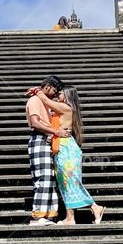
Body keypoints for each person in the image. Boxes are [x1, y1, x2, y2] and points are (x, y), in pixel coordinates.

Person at [43, 87, 105, 226]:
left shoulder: (65, 107)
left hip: (66, 148)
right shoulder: (63, 109)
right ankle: (94, 208)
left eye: (61, 93)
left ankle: (71, 218)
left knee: (69, 181)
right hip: (63, 147)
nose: (58, 94)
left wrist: (38, 91)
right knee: (67, 182)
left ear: (68, 96)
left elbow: (45, 100)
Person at [25, 74, 63, 225]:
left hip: (45, 140)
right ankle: (38, 215)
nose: (55, 94)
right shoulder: (34, 100)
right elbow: (35, 123)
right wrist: (55, 132)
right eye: (54, 90)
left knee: (50, 178)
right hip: (39, 140)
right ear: (47, 86)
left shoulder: (43, 101)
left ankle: (49, 214)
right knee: (43, 177)